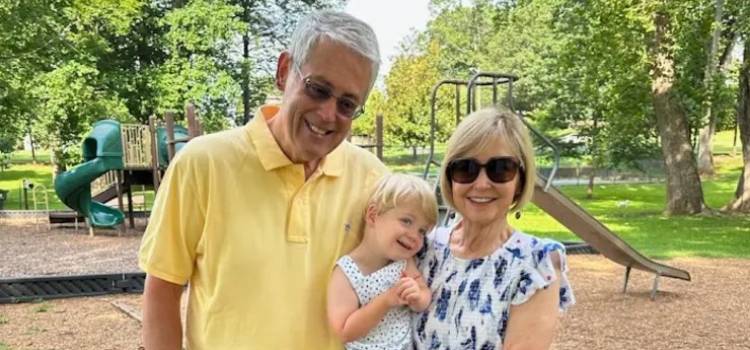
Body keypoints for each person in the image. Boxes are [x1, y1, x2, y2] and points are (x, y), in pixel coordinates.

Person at [138, 11, 387, 350]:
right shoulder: (204, 164)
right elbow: (162, 289)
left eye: (346, 104)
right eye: (317, 89)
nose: (328, 114)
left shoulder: (373, 180)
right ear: (284, 72)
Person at [412, 107, 574, 350]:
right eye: (465, 168)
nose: (482, 183)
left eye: (500, 168)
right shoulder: (424, 248)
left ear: (519, 181)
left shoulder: (534, 265)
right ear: (450, 178)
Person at [327, 173, 437, 350]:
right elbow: (344, 331)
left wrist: (417, 297)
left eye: (422, 231)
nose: (414, 236)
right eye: (406, 221)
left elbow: (424, 293)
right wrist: (386, 301)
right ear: (372, 215)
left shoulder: (404, 262)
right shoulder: (346, 272)